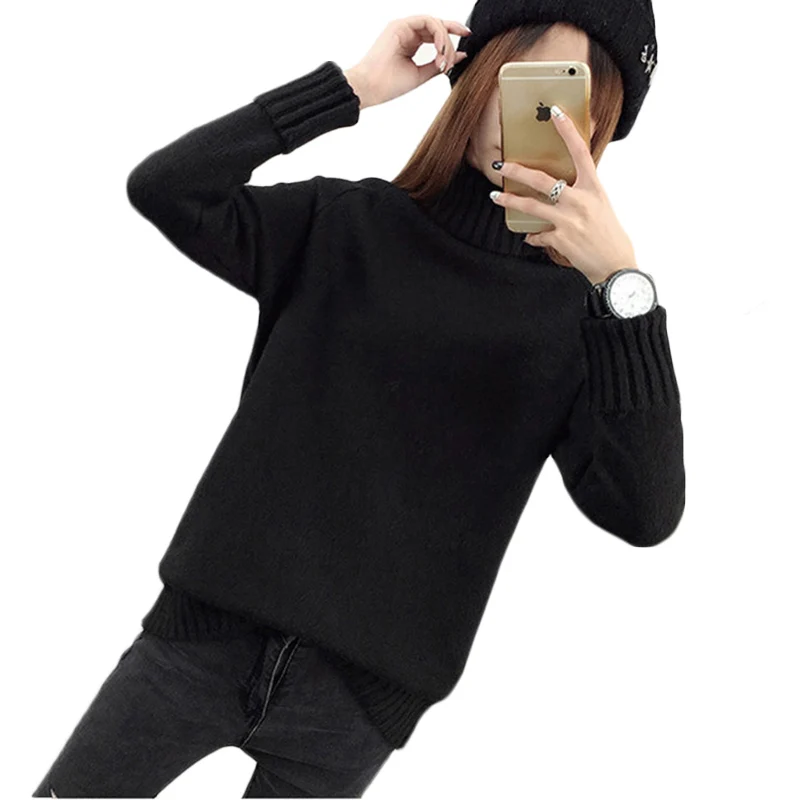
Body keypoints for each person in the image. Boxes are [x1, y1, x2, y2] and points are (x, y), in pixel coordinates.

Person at [33, 0, 684, 796]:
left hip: (350, 712)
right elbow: (167, 189)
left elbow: (645, 512)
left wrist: (624, 290)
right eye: (527, 82)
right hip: (195, 646)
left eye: (573, 99)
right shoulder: (344, 225)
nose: (543, 121)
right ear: (476, 74)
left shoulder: (583, 324)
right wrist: (351, 89)